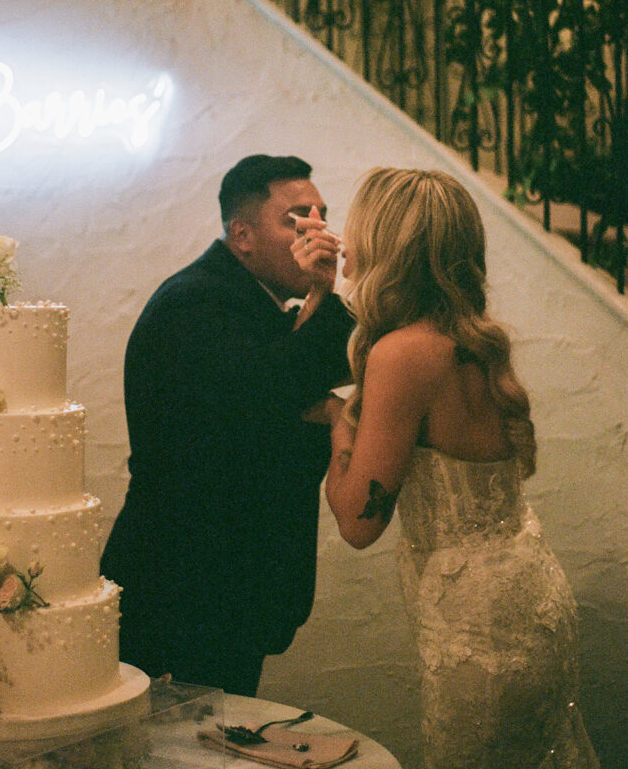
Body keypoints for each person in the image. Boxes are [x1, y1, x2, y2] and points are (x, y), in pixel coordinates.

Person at [317, 168, 600, 769]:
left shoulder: (401, 352)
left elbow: (357, 522)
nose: (345, 242)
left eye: (356, 227)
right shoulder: (469, 341)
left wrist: (342, 422)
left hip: (479, 627)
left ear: (386, 245)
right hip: (531, 598)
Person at [100, 154, 352, 697]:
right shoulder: (196, 303)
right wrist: (322, 301)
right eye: (296, 218)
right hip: (182, 588)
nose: (317, 231)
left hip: (229, 590)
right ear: (242, 234)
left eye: (321, 215)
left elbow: (348, 352)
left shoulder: (253, 302)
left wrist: (321, 298)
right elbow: (268, 402)